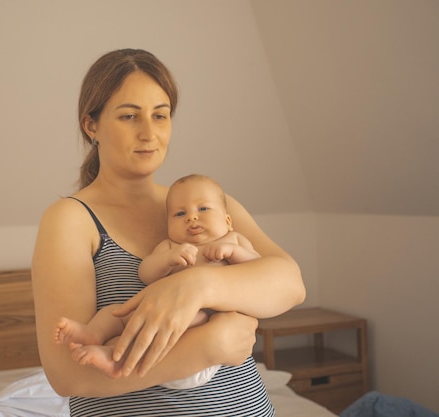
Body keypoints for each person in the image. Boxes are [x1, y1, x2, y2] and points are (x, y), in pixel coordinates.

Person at [31, 48, 306, 417]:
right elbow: (67, 375)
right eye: (129, 116)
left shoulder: (203, 203)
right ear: (91, 125)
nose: (149, 133)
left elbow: (290, 283)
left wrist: (197, 287)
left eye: (160, 116)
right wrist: (209, 344)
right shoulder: (71, 219)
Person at [54, 173, 261, 390]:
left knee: (189, 317)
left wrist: (234, 252)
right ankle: (94, 335)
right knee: (118, 313)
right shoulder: (170, 246)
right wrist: (167, 261)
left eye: (203, 209)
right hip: (166, 338)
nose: (191, 218)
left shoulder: (234, 239)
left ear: (227, 221)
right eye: (180, 214)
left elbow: (258, 271)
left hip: (203, 326)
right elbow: (146, 273)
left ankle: (119, 357)